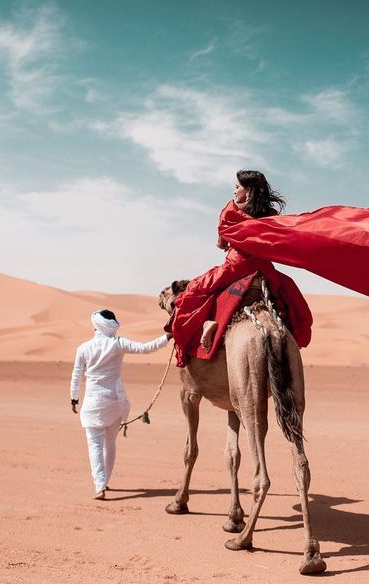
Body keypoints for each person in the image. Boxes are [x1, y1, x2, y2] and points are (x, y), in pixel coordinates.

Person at [170, 170, 312, 368]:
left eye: (237, 187)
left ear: (249, 190)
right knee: (288, 293)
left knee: (195, 290)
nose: (234, 191)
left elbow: (221, 243)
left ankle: (207, 324)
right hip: (263, 269)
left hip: (236, 265)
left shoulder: (230, 211)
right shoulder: (269, 215)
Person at [70, 309, 171, 499]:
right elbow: (146, 348)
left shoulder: (83, 348)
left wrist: (73, 397)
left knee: (95, 445)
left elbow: (76, 374)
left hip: (93, 403)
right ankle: (104, 481)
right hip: (115, 402)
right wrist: (167, 336)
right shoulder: (118, 343)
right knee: (110, 444)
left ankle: (100, 486)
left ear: (95, 326)